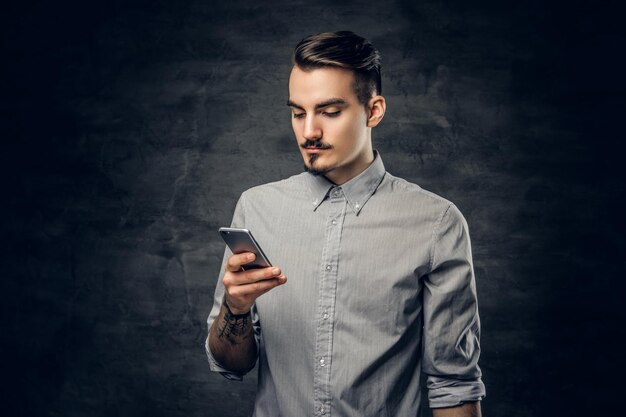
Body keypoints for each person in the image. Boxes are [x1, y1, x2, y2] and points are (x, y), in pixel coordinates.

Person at [206, 31, 485, 417]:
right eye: (297, 112)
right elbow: (231, 363)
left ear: (374, 111)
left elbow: (454, 386)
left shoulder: (436, 224)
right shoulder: (257, 209)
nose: (309, 132)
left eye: (330, 112)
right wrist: (234, 311)